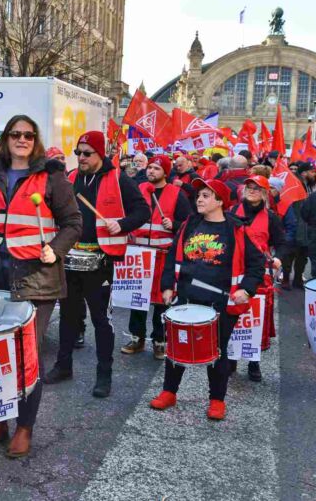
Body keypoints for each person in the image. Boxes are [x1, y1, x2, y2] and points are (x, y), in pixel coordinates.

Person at [0, 114, 82, 458]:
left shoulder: (53, 175)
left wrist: (54, 249)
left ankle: (24, 427)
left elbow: (73, 222)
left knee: (26, 356)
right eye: (16, 134)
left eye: (29, 135)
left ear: (36, 139)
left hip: (36, 278)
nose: (22, 139)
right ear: (6, 138)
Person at [43, 131, 150, 398]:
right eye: (78, 153)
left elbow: (143, 211)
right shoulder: (70, 179)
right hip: (70, 259)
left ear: (100, 154)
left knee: (101, 320)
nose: (80, 157)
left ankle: (104, 375)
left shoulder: (119, 179)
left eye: (86, 153)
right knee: (68, 316)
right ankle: (63, 365)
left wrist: (123, 224)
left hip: (100, 262)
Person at [149, 178, 265, 420]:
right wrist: (168, 285)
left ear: (220, 201)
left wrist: (247, 289)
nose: (199, 199)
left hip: (220, 303)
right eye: (198, 195)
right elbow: (172, 257)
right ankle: (169, 392)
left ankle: (216, 400)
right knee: (176, 347)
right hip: (187, 298)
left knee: (218, 353)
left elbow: (257, 265)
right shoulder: (189, 224)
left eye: (206, 196)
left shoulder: (236, 229)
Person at [122, 155, 192, 358]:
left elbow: (189, 224)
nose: (151, 171)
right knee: (137, 300)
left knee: (162, 300)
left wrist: (176, 225)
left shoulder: (177, 194)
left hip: (163, 256)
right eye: (150, 167)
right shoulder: (138, 189)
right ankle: (137, 338)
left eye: (156, 168)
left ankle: (160, 341)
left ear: (166, 172)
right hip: (139, 254)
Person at [229, 174, 287, 382]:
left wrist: (278, 257)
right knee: (234, 316)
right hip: (235, 271)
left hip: (260, 274)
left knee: (256, 319)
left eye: (256, 188)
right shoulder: (232, 212)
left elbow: (281, 241)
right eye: (249, 187)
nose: (251, 190)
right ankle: (231, 359)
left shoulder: (271, 217)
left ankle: (254, 363)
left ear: (264, 193)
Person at [281, 160, 316, 288]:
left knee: (302, 255)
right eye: (312, 172)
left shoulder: (308, 185)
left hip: (306, 226)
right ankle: (285, 278)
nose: (314, 174)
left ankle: (297, 279)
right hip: (295, 224)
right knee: (289, 254)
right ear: (305, 173)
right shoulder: (295, 185)